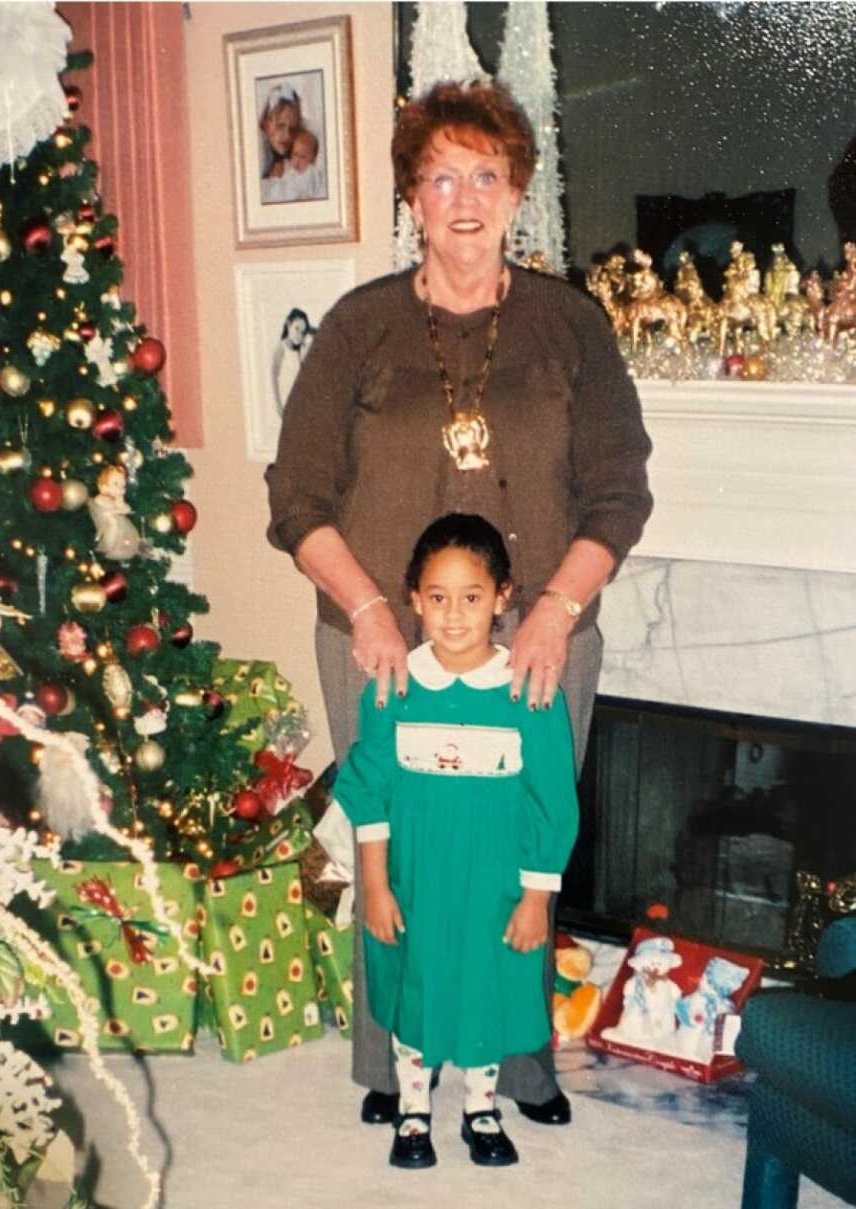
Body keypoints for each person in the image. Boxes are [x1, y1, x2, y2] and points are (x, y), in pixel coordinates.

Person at [267, 79, 653, 1131]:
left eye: (488, 174)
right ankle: (392, 1057)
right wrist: (365, 606)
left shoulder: (572, 325)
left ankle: (521, 1057)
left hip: (536, 644)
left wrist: (556, 608)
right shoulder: (360, 328)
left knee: (518, 843)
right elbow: (293, 494)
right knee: (392, 840)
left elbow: (621, 487)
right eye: (443, 176)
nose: (467, 198)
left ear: (519, 191)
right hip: (380, 642)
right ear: (414, 197)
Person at [332, 513, 580, 1169]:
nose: (454, 615)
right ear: (413, 600)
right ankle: (414, 1111)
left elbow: (552, 803)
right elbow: (370, 794)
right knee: (418, 989)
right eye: (437, 597)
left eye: (472, 597)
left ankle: (480, 1107)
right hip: (417, 882)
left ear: (503, 598)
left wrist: (535, 898)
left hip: (496, 889)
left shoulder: (530, 691)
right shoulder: (395, 687)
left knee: (485, 993)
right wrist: (376, 884)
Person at [271, 307, 315, 417]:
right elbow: (273, 375)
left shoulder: (301, 350)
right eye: (297, 329)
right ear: (288, 324)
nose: (299, 335)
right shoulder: (281, 348)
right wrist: (278, 404)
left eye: (302, 332)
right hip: (286, 403)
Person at [263, 128, 326, 205]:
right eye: (295, 154)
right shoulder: (287, 164)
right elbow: (276, 176)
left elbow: (311, 189)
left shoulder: (311, 171)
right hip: (278, 190)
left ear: (312, 160)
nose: (297, 160)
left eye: (303, 157)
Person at [259, 82, 301, 184]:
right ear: (266, 123)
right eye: (280, 125)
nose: (287, 135)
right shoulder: (260, 151)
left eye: (293, 129)